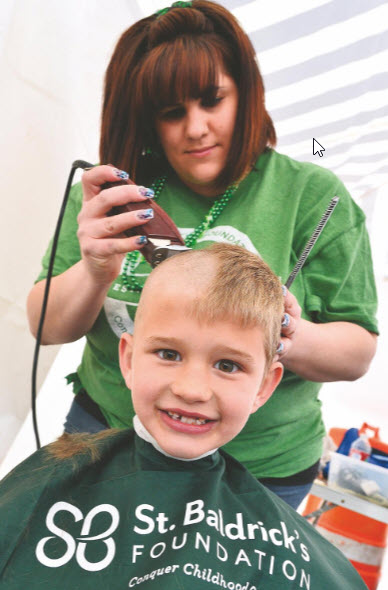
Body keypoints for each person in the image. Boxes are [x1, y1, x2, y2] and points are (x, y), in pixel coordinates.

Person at [26, 1, 378, 509]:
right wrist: (95, 269)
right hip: (108, 440)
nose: (195, 129)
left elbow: (357, 350)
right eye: (171, 113)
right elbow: (45, 326)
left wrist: (287, 333)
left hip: (258, 470)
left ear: (247, 92)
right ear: (146, 118)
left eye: (212, 101)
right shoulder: (114, 195)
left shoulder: (314, 196)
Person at [1, 245, 382, 590]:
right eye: (168, 354)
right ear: (129, 360)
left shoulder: (284, 545)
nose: (191, 390)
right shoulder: (53, 478)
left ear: (265, 386)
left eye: (228, 365)